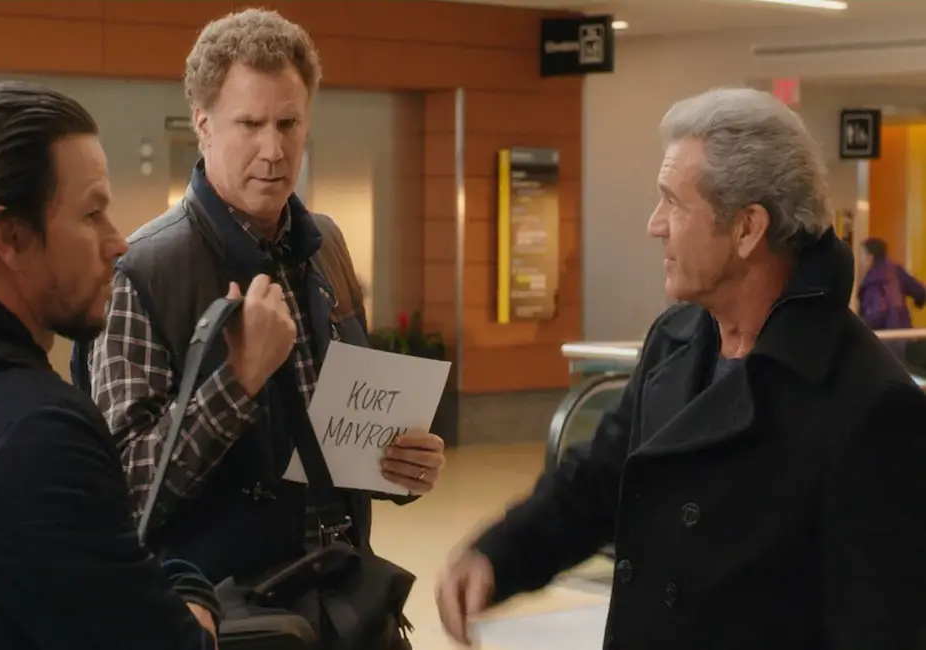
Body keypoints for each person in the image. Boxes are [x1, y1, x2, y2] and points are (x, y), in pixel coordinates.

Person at [436, 88, 926, 649]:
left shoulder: (871, 406)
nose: (655, 225)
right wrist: (499, 554)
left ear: (747, 228)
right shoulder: (676, 340)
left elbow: (878, 628)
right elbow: (602, 481)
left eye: (673, 203)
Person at [78, 8, 446, 589]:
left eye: (288, 123)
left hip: (343, 593)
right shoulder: (143, 272)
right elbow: (128, 488)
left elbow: (347, 433)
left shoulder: (326, 246)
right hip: (224, 611)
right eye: (249, 124)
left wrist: (401, 465)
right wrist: (237, 381)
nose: (273, 149)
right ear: (203, 125)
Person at [0, 81, 221, 649]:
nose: (118, 243)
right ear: (11, 236)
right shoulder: (36, 433)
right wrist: (192, 594)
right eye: (92, 214)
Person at [857, 236, 926, 361]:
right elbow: (920, 292)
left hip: (884, 343)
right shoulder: (896, 270)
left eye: (861, 256)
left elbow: (877, 315)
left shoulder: (871, 282)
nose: (859, 261)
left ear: (870, 258)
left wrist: (856, 327)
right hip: (905, 338)